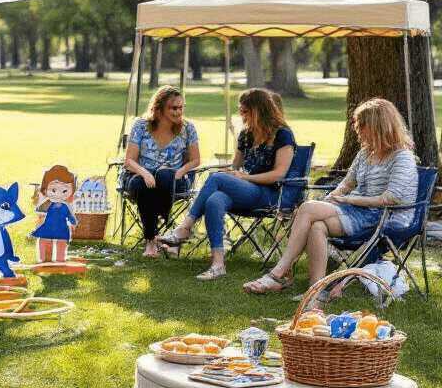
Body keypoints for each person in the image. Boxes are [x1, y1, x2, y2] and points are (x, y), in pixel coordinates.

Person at [243, 97, 418, 295]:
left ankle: (278, 274)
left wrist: (348, 200)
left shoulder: (401, 157)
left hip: (385, 217)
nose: (357, 129)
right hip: (359, 211)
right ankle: (316, 290)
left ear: (377, 126)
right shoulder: (365, 153)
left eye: (361, 125)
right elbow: (347, 183)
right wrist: (335, 195)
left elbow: (390, 199)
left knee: (308, 208)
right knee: (317, 226)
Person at [159, 89, 296, 281]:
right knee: (215, 199)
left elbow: (278, 174)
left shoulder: (283, 135)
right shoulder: (245, 135)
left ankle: (185, 228)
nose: (241, 114)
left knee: (216, 179)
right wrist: (231, 172)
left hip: (270, 194)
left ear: (258, 110)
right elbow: (236, 166)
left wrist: (243, 178)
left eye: (244, 110)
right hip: (246, 190)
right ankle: (217, 264)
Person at [121, 86, 201, 258]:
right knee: (141, 183)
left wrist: (179, 172)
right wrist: (146, 173)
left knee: (165, 174)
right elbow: (129, 160)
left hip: (173, 179)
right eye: (174, 108)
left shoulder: (188, 128)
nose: (179, 112)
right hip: (142, 177)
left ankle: (159, 236)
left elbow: (196, 160)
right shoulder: (141, 125)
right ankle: (153, 240)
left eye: (181, 107)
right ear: (159, 108)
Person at [31, 164, 78, 263]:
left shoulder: (64, 206)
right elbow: (40, 209)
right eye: (54, 190)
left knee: (61, 242)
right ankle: (43, 259)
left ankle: (60, 260)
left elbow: (69, 215)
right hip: (48, 226)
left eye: (65, 190)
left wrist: (73, 221)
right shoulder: (48, 204)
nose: (59, 194)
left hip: (61, 228)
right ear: (45, 190)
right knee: (44, 241)